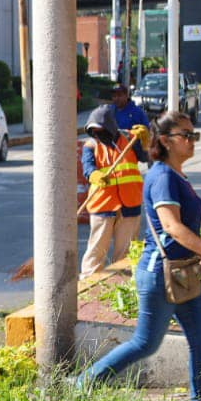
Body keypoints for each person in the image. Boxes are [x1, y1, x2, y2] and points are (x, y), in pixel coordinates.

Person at [79, 112, 201, 401]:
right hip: (159, 274)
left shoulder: (176, 175)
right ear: (165, 141)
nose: (192, 141)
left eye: (194, 135)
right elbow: (171, 227)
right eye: (186, 135)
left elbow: (185, 227)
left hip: (184, 273)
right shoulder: (162, 176)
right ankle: (83, 384)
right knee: (145, 343)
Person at [80, 104, 146, 275]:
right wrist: (94, 176)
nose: (97, 133)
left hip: (130, 203)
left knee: (126, 252)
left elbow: (147, 156)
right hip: (103, 204)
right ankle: (89, 281)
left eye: (100, 129)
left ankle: (123, 284)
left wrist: (146, 140)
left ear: (109, 126)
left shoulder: (130, 140)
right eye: (93, 130)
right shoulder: (91, 145)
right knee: (96, 249)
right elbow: (87, 167)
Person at [109, 82, 149, 162]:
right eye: (114, 96)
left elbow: (147, 131)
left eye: (119, 95)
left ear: (127, 96)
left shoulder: (137, 112)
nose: (116, 98)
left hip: (131, 153)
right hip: (113, 152)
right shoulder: (109, 111)